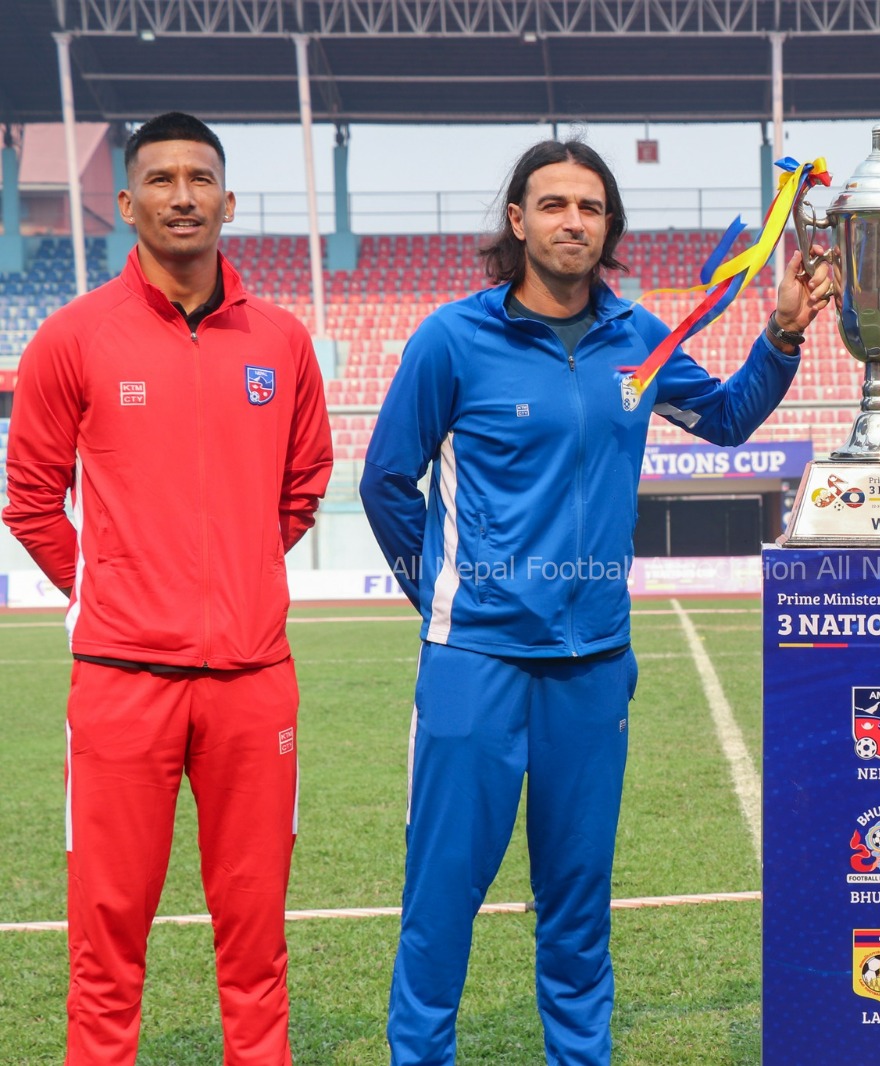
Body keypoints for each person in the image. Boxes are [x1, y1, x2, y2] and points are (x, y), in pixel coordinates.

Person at [360, 139, 829, 1066]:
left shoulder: (637, 340)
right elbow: (387, 482)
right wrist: (447, 600)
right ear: (517, 220)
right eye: (554, 203)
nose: (573, 220)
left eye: (591, 206)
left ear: (609, 225)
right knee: (440, 897)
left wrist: (779, 335)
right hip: (475, 670)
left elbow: (726, 419)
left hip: (593, 669)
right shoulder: (451, 340)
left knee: (577, 905)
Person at [2, 112, 332, 1065]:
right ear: (126, 202)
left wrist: (232, 573)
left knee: (256, 942)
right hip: (118, 684)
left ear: (230, 202)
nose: (181, 195)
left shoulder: (282, 339)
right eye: (161, 179)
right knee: (106, 943)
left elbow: (305, 482)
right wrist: (110, 588)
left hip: (252, 680)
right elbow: (29, 501)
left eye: (200, 179)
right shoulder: (72, 338)